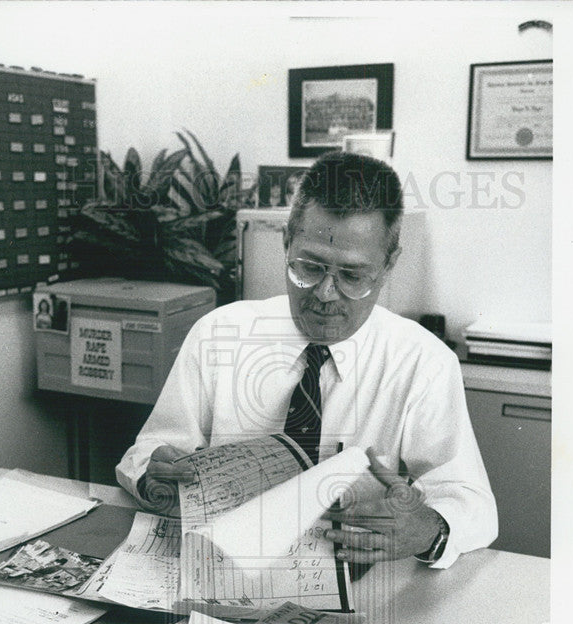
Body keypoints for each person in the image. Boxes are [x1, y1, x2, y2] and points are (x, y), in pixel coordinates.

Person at [116, 151, 497, 568]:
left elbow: (469, 497)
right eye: (309, 267)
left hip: (353, 575)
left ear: (388, 266)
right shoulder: (218, 334)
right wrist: (152, 474)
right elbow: (149, 451)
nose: (325, 294)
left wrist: (430, 528)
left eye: (352, 276)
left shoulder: (422, 361)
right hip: (220, 564)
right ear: (286, 243)